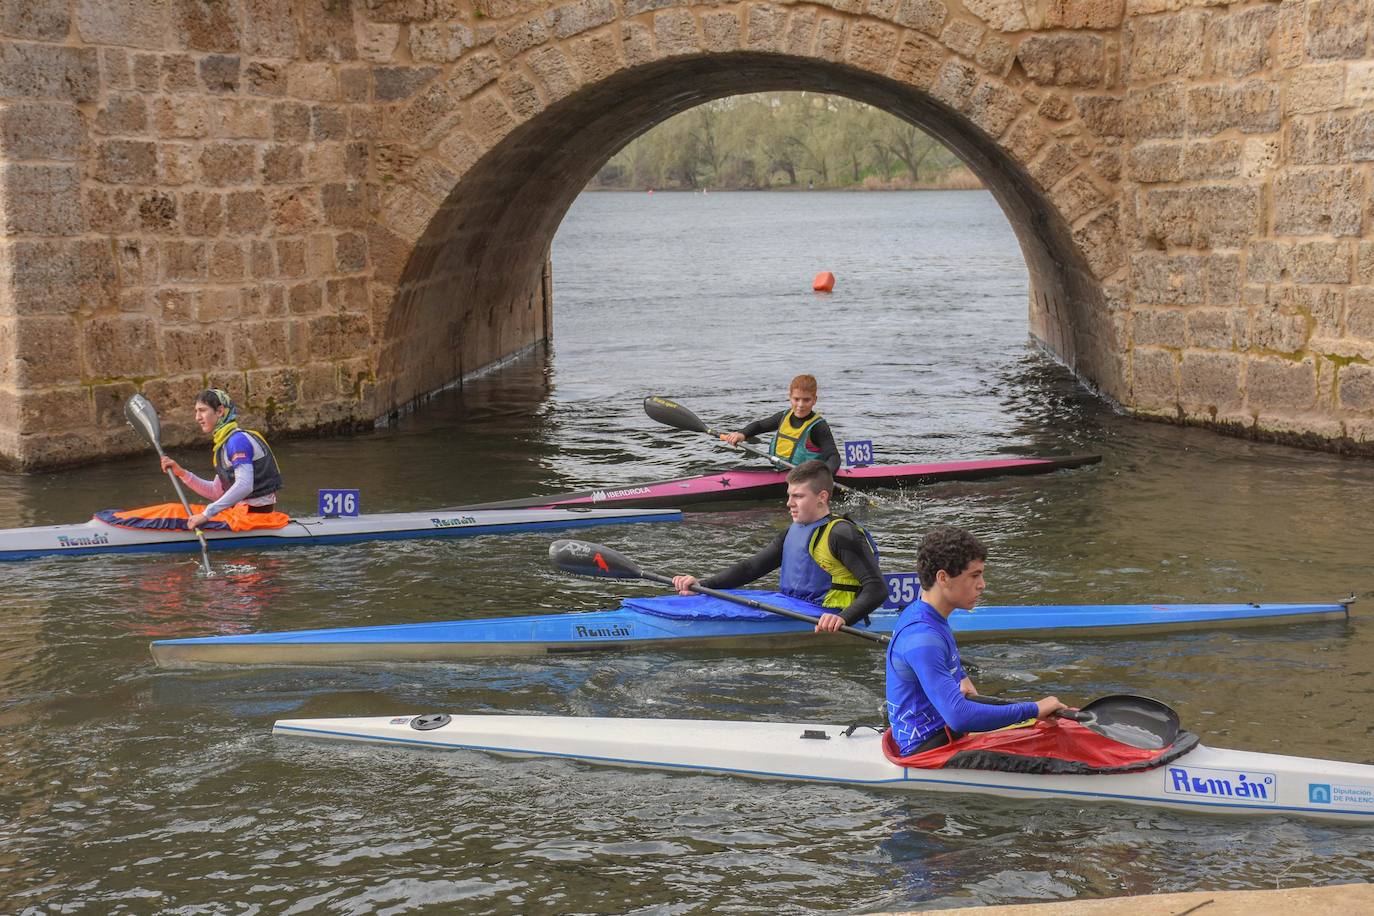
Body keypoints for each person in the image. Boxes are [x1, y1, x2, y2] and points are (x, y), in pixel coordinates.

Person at [885, 526, 1067, 756]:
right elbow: (959, 716)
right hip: (930, 749)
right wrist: (1033, 709)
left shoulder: (924, 613)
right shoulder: (923, 639)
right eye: (974, 575)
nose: (982, 584)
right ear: (943, 578)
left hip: (943, 733)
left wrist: (959, 676)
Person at [671, 460, 883, 633]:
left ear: (822, 497)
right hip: (793, 605)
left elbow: (877, 589)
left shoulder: (842, 533)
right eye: (789, 495)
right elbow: (751, 568)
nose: (789, 503)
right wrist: (703, 586)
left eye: (798, 496)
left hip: (826, 613)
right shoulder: (793, 530)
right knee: (720, 600)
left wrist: (842, 618)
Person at [159, 388, 283, 529]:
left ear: (219, 411)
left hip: (252, 518)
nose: (197, 417)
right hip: (240, 514)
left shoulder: (237, 441)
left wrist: (207, 514)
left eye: (202, 410)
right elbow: (215, 492)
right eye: (196, 411)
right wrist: (181, 473)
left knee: (172, 513)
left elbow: (244, 485)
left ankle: (128, 524)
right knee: (173, 509)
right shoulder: (223, 445)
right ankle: (127, 519)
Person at [721, 374, 840, 473]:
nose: (800, 405)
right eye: (796, 399)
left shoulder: (818, 426)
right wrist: (742, 434)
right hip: (781, 470)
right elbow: (760, 426)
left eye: (806, 400)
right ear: (790, 397)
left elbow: (833, 457)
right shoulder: (784, 416)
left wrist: (824, 477)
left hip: (808, 475)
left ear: (814, 400)